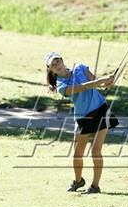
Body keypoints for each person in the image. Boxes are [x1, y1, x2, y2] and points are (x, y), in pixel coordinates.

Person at [44, 52, 119, 194]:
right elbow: (83, 87)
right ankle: (78, 181)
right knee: (77, 154)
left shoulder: (80, 68)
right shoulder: (61, 85)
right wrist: (100, 81)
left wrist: (107, 83)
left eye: (57, 61)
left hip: (101, 110)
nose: (56, 65)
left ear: (62, 60)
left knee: (96, 151)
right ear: (51, 71)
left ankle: (95, 186)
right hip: (83, 117)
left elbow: (96, 83)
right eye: (53, 65)